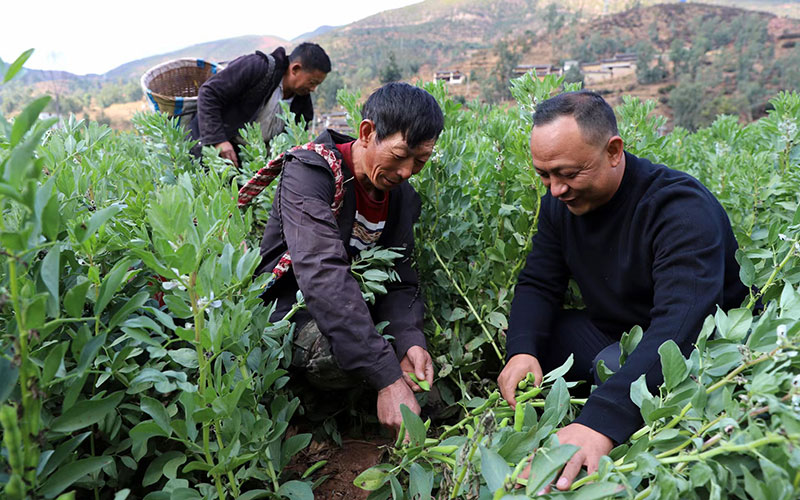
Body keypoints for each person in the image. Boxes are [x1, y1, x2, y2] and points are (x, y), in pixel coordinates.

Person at [497, 91, 747, 492]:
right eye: (544, 175)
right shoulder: (560, 204)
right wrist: (522, 350)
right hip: (614, 331)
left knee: (611, 365)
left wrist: (600, 421)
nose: (556, 189)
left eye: (567, 173)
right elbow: (540, 282)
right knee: (538, 339)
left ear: (614, 151)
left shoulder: (678, 209)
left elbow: (680, 326)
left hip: (699, 349)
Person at [252, 82, 444, 431]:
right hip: (292, 311)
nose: (406, 172)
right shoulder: (310, 173)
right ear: (367, 132)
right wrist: (387, 377)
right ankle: (303, 404)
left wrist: (409, 340)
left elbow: (401, 279)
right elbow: (322, 275)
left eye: (420, 162)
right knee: (336, 357)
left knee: (422, 367)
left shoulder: (399, 198)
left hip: (353, 308)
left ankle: (367, 397)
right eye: (400, 156)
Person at [190, 42, 331, 167]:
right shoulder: (258, 67)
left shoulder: (302, 102)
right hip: (212, 149)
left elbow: (296, 139)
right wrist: (218, 140)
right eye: (312, 82)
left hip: (247, 161)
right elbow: (209, 93)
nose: (313, 89)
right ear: (295, 69)